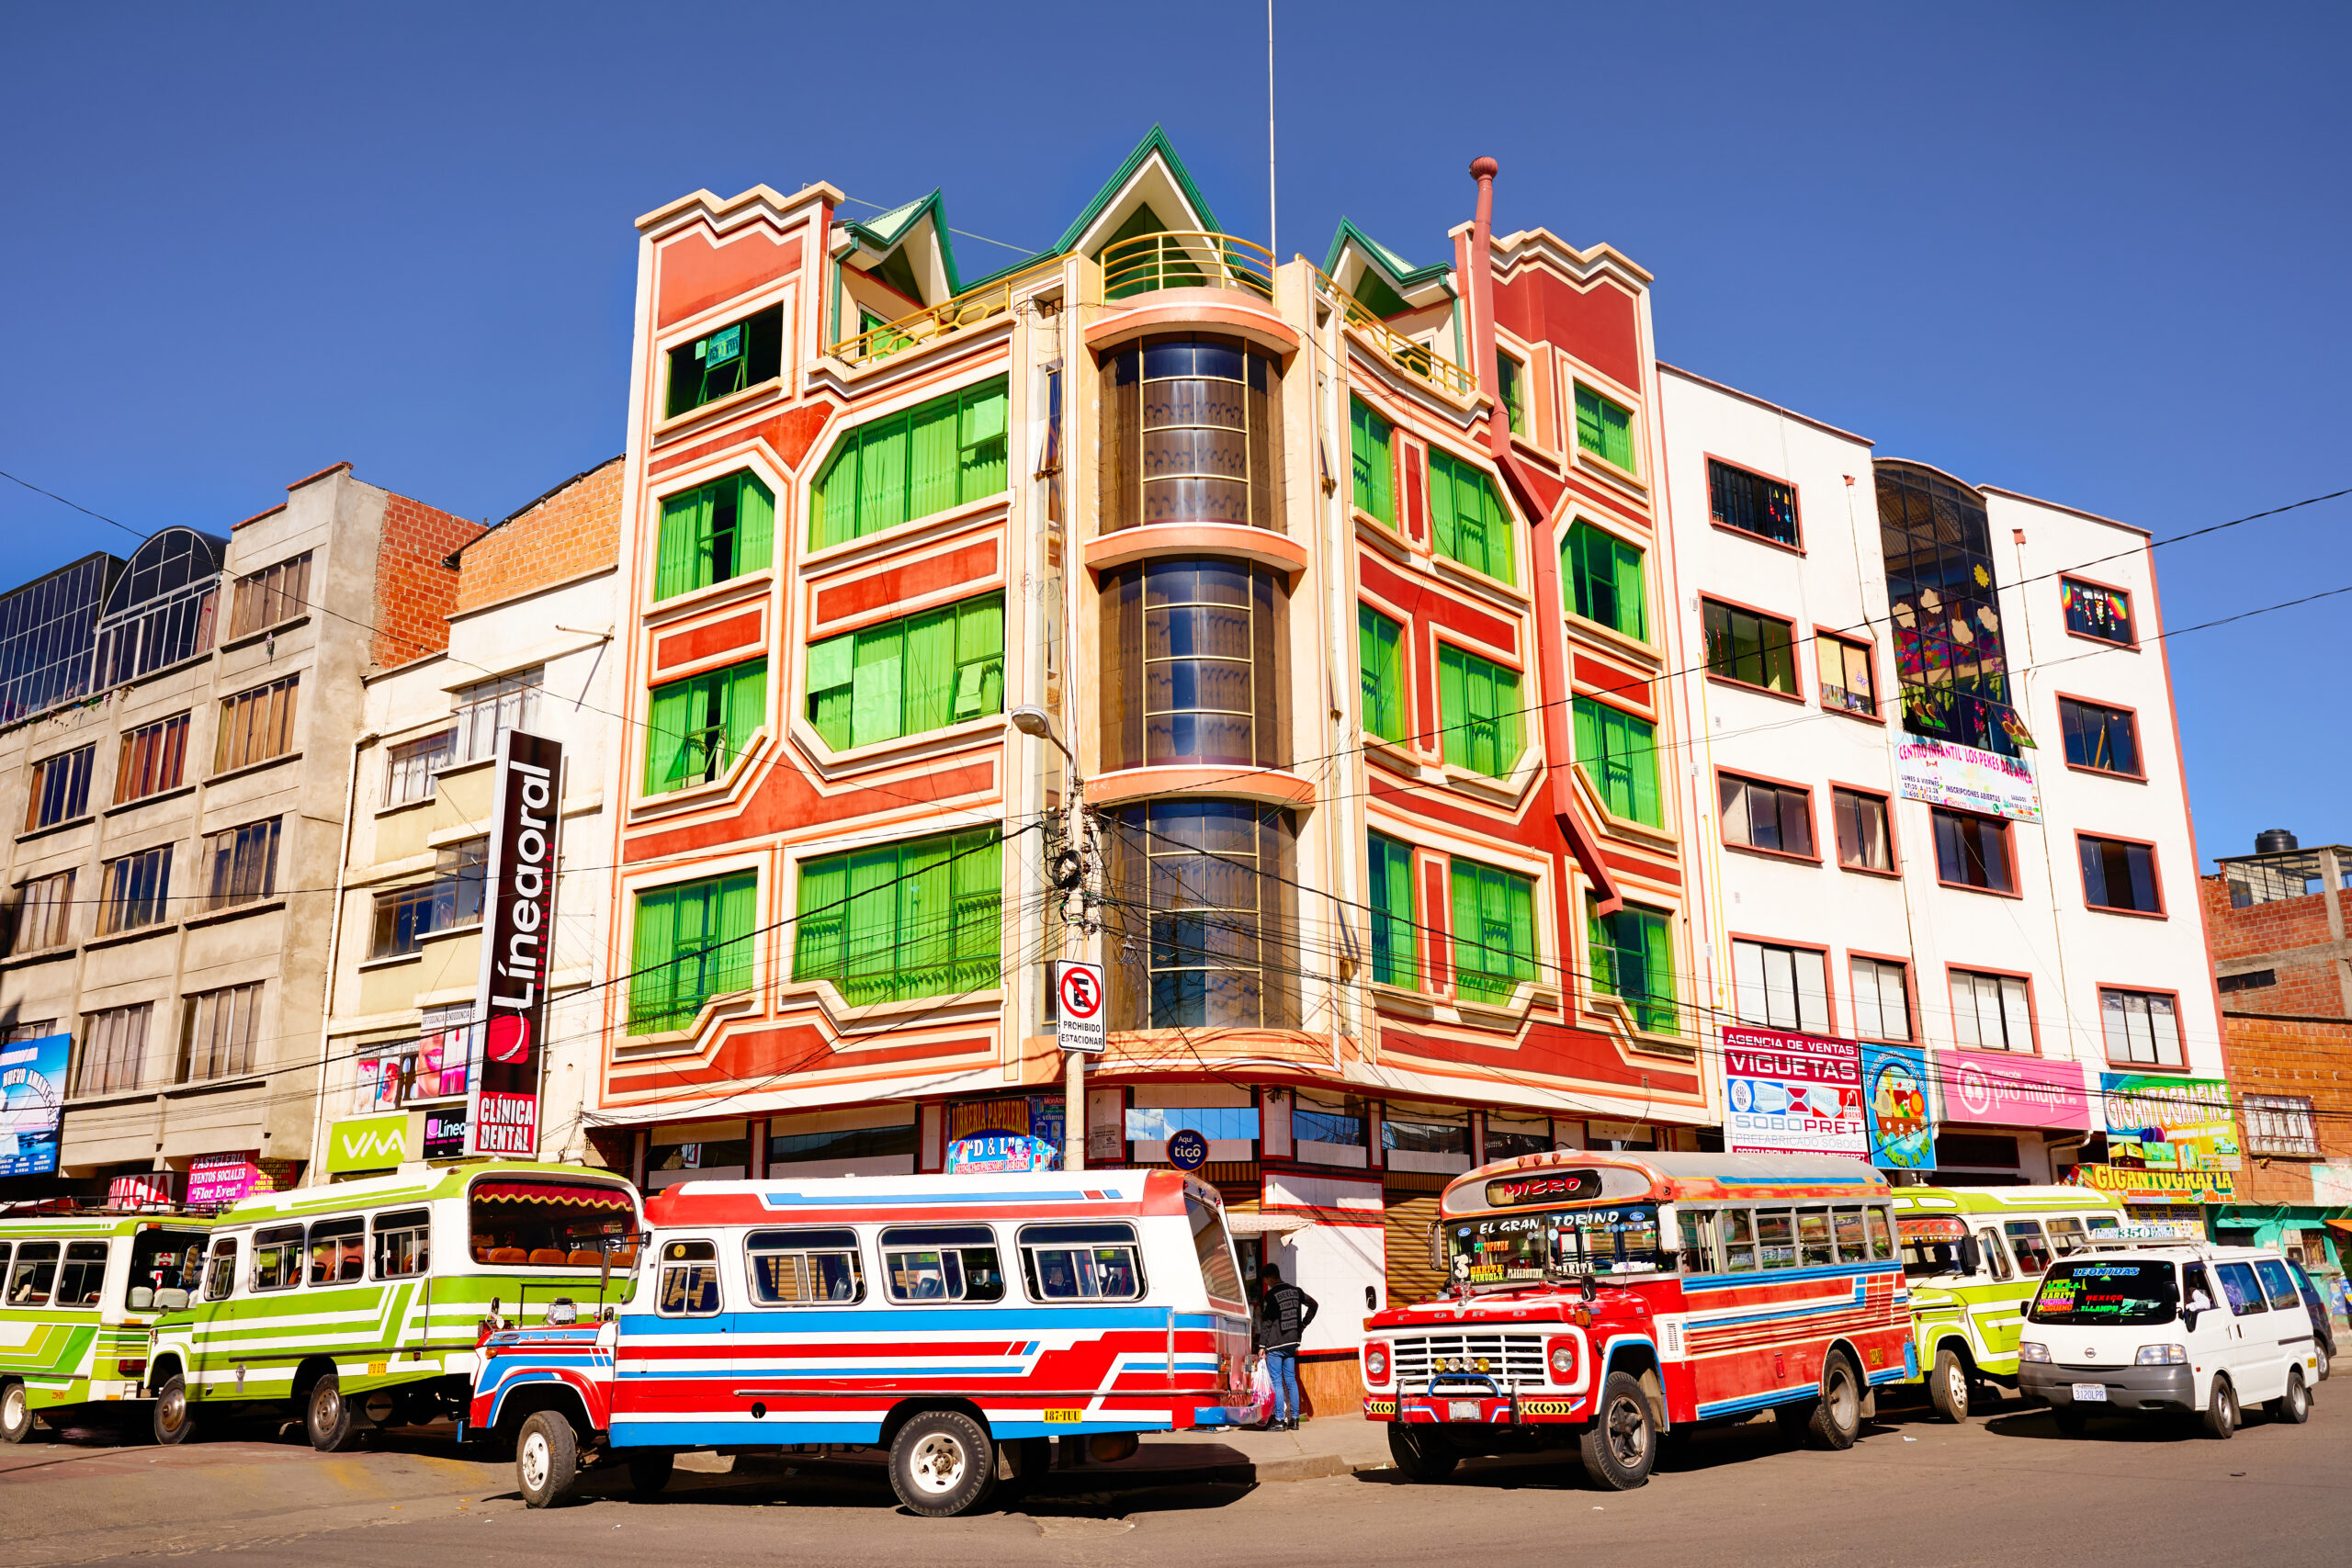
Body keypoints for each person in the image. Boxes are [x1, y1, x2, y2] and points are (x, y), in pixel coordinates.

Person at [1257, 1264, 1318, 1431]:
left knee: (1277, 1381)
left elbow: (1267, 1322)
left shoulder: (1271, 1295)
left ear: (1269, 1279)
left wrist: (1262, 1345)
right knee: (1291, 1381)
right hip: (1292, 1344)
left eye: (1266, 1281)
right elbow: (1314, 1305)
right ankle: (1295, 1420)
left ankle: (1279, 1420)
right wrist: (1303, 1325)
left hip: (1276, 1344)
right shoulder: (1296, 1292)